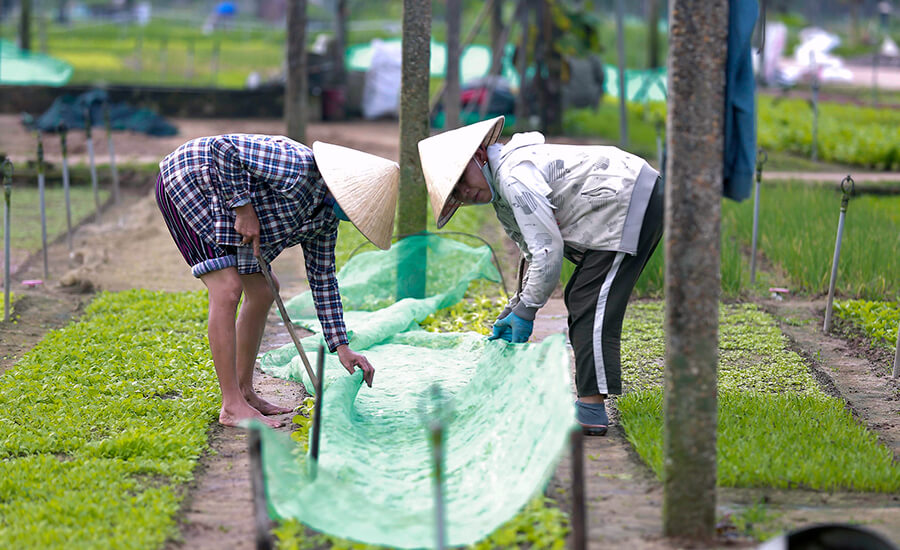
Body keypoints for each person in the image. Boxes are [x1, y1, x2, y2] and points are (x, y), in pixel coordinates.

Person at [418, 116, 663, 436]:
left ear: (479, 155)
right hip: (619, 204)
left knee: (591, 301)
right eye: (457, 192)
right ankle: (590, 403)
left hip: (629, 199)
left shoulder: (514, 177)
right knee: (583, 295)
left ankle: (591, 407)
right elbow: (531, 250)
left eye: (463, 179)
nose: (466, 191)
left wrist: (529, 309)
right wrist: (516, 306)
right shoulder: (503, 194)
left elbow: (548, 248)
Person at [156, 134, 399, 428]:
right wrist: (243, 208)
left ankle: (245, 391)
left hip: (223, 204)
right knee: (228, 289)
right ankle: (231, 405)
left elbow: (323, 280)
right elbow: (223, 149)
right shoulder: (295, 167)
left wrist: (342, 347)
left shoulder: (325, 220)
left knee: (263, 290)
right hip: (189, 183)